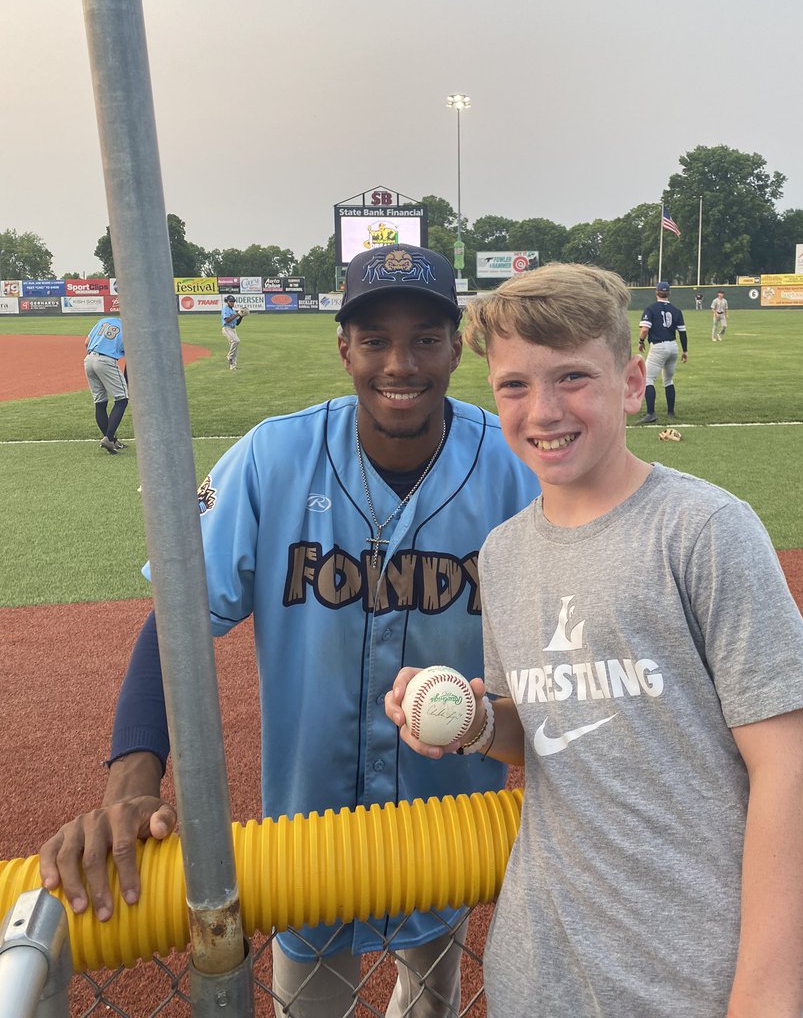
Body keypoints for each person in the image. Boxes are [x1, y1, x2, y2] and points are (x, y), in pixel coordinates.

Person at [40, 244, 539, 1018]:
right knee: (307, 1006)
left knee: (433, 1000)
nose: (399, 363)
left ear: (456, 346)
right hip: (308, 834)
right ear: (344, 348)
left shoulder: (514, 468)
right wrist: (132, 783)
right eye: (375, 340)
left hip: (455, 826)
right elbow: (176, 624)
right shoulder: (275, 456)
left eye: (425, 339)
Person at [387, 262, 803, 1018]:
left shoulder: (702, 530)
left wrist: (766, 997)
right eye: (515, 387)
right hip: (541, 971)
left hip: (695, 975)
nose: (544, 409)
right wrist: (477, 722)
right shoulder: (502, 554)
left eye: (572, 378)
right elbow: (545, 731)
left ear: (631, 383)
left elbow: (791, 769)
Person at [635, 280, 687, 424]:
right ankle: (670, 412)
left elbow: (645, 329)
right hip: (673, 347)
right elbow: (682, 332)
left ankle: (651, 413)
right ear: (669, 293)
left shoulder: (651, 309)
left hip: (659, 347)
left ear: (656, 292)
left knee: (647, 379)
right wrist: (685, 351)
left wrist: (640, 342)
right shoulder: (676, 310)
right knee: (668, 380)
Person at [83, 314, 129, 454]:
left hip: (89, 360)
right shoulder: (129, 329)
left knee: (100, 402)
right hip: (106, 361)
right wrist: (127, 380)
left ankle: (112, 440)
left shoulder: (104, 320)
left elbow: (86, 342)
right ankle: (109, 438)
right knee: (122, 400)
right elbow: (131, 356)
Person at [221, 293, 241, 369]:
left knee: (235, 348)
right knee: (236, 341)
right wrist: (237, 314)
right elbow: (227, 320)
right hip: (227, 328)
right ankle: (229, 356)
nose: (232, 303)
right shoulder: (225, 309)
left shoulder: (232, 310)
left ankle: (233, 366)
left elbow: (237, 323)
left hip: (233, 329)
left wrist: (241, 316)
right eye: (231, 301)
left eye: (233, 301)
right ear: (227, 302)